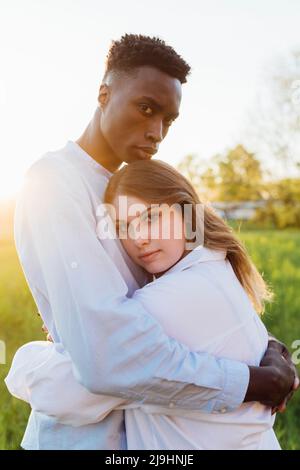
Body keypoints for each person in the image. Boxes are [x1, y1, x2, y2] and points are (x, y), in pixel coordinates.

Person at [5, 34, 298, 450]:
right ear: (104, 95)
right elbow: (110, 355)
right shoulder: (54, 183)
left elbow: (200, 287)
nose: (156, 132)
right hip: (89, 437)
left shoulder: (133, 189)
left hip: (155, 429)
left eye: (168, 120)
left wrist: (263, 345)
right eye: (145, 109)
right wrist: (251, 379)